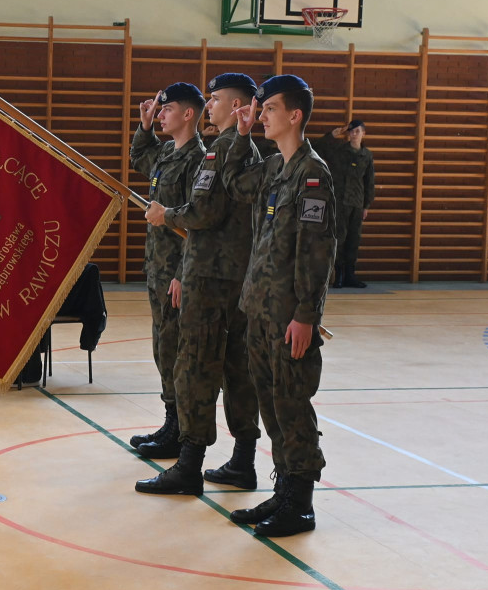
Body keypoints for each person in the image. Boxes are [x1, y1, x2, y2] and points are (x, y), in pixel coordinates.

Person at [134, 74, 262, 496]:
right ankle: (242, 460)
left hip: (210, 278)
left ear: (240, 105)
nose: (211, 106)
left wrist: (165, 216)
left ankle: (189, 466)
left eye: (217, 100)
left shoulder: (221, 151)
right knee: (233, 370)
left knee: (196, 369)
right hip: (225, 275)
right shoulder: (237, 149)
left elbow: (203, 213)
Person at [222, 75, 337, 536]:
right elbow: (232, 184)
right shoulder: (274, 168)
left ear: (295, 116)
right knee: (270, 404)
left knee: (292, 405)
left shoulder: (314, 175)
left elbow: (317, 252)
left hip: (291, 315)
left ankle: (301, 505)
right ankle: (284, 492)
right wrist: (241, 133)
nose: (262, 113)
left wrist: (307, 314)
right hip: (260, 309)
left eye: (268, 108)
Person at [128, 83, 206, 458]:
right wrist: (144, 126)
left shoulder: (198, 159)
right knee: (163, 347)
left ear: (188, 114)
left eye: (166, 108)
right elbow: (137, 156)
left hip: (177, 271)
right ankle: (170, 421)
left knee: (176, 350)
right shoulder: (166, 153)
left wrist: (182, 273)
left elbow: (199, 221)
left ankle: (180, 431)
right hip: (156, 267)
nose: (160, 114)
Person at [313, 120, 376, 288]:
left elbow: (369, 181)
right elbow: (314, 148)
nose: (353, 134)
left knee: (353, 240)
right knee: (339, 239)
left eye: (357, 131)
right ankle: (338, 275)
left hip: (356, 203)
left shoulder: (367, 155)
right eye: (351, 132)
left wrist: (366, 206)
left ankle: (350, 275)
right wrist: (332, 136)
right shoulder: (338, 150)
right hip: (339, 203)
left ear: (364, 133)